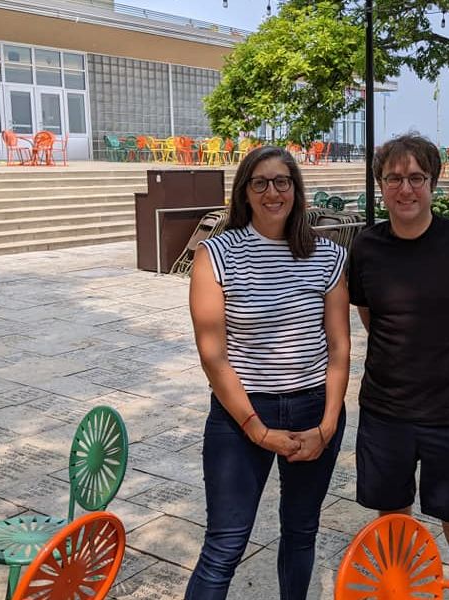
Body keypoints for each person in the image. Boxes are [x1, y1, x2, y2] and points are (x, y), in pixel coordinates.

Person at [185, 146, 349, 600]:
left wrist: (328, 425)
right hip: (242, 413)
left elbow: (339, 346)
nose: (272, 191)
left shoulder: (328, 256)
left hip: (314, 407)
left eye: (282, 182)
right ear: (245, 192)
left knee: (300, 531)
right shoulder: (215, 254)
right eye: (260, 182)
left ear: (296, 190)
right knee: (225, 542)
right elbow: (213, 355)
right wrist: (257, 430)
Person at [347, 133, 449, 600]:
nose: (405, 189)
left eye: (416, 177)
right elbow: (371, 317)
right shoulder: (368, 247)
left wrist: (439, 353)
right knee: (394, 526)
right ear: (381, 185)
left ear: (433, 182)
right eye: (394, 178)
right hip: (385, 413)